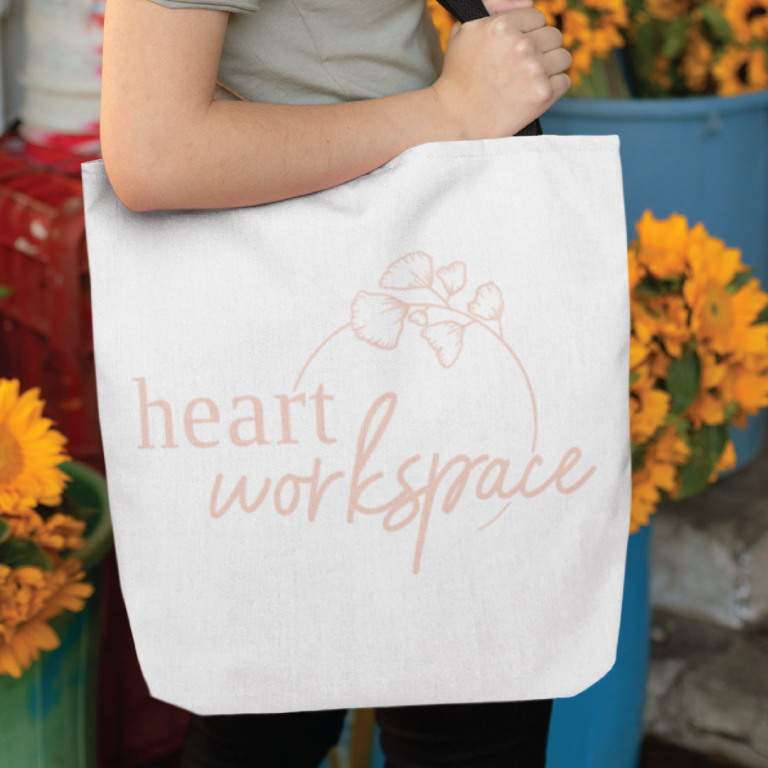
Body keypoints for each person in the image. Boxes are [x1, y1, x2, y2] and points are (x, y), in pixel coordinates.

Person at [99, 0, 571, 764]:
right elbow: (154, 149)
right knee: (443, 715)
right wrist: (448, 111)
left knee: (291, 714)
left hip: (404, 287)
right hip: (316, 323)